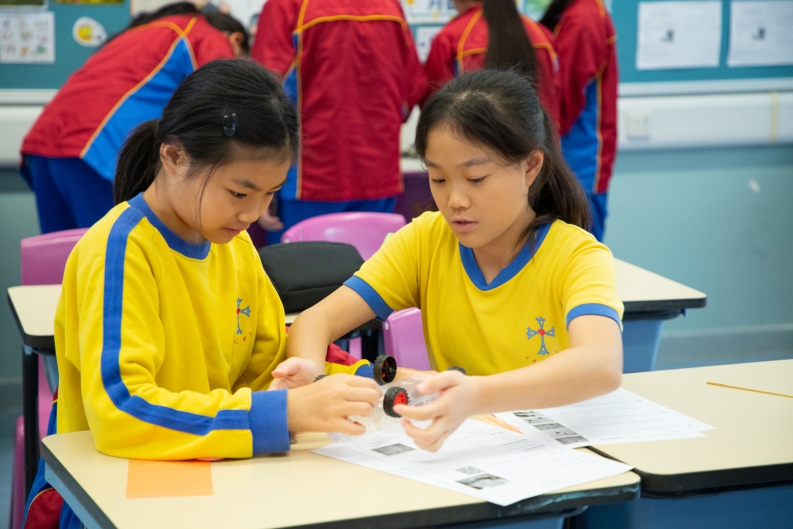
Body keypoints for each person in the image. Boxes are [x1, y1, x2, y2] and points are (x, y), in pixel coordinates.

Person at [23, 60, 381, 528]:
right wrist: (280, 414)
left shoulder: (236, 246)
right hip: (114, 494)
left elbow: (268, 364)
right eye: (239, 193)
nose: (253, 213)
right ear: (173, 157)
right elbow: (122, 411)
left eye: (270, 194)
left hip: (213, 479)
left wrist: (353, 384)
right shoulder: (120, 251)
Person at [283, 70, 623, 452]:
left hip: (555, 452)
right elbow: (316, 320)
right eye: (439, 179)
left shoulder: (575, 255)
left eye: (475, 178)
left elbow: (601, 365)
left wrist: (476, 395)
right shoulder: (426, 241)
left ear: (530, 167)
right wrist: (313, 380)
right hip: (463, 452)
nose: (455, 201)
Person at [20, 3, 249, 234]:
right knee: (114, 247)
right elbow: (225, 101)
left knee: (61, 252)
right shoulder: (204, 34)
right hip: (94, 147)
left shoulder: (146, 31)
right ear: (236, 39)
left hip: (44, 143)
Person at [250, 0, 428, 243]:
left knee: (297, 266)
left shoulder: (288, 5)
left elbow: (264, 96)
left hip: (308, 179)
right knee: (374, 265)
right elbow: (411, 91)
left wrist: (260, 180)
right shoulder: (390, 7)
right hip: (377, 173)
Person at [540, 0, 618, 241]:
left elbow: (563, 104)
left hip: (579, 162)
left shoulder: (583, 18)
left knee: (577, 250)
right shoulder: (576, 12)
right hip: (571, 158)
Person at [424, 0, 560, 128]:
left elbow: (436, 107)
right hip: (539, 136)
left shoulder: (451, 38)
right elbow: (558, 97)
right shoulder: (542, 35)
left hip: (472, 137)